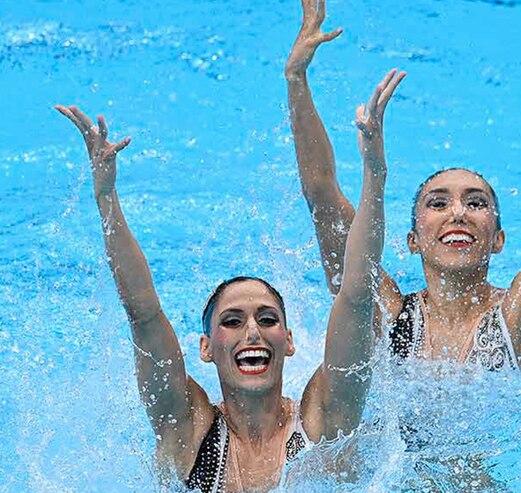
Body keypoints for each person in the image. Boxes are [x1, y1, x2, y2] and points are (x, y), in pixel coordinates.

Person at [54, 84, 398, 491]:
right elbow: (143, 316)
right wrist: (106, 198)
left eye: (267, 319)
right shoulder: (187, 430)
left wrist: (374, 177)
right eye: (232, 321)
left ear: (288, 340)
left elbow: (357, 299)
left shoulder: (322, 420)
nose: (252, 331)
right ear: (205, 347)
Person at [286, 0, 521, 371]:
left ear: (498, 240)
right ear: (412, 240)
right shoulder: (385, 318)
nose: (458, 213)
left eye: (476, 203)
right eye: (437, 204)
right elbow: (321, 195)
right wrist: (296, 78)